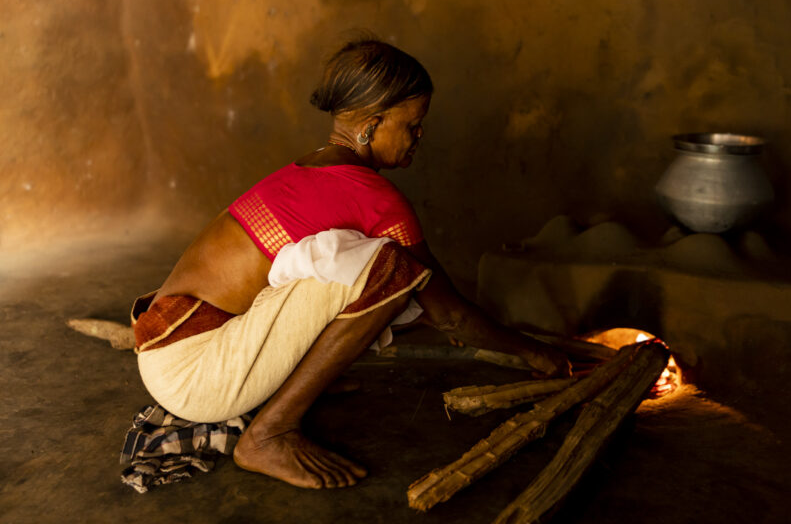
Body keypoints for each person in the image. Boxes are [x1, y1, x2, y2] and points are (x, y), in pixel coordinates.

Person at [130, 38, 571, 490]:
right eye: (413, 125)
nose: (420, 136)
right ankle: (269, 433)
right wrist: (533, 351)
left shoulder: (306, 171)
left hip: (170, 354)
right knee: (385, 266)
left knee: (346, 261)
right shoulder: (375, 198)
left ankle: (294, 383)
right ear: (372, 125)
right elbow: (448, 312)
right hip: (196, 379)